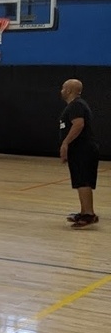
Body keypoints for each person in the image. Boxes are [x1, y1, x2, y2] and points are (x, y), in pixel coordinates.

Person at [59, 78, 99, 228]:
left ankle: (88, 214)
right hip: (79, 150)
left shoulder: (76, 105)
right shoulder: (76, 105)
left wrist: (65, 143)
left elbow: (78, 124)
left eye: (63, 88)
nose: (61, 91)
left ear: (69, 90)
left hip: (83, 149)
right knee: (80, 180)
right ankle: (84, 212)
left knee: (83, 181)